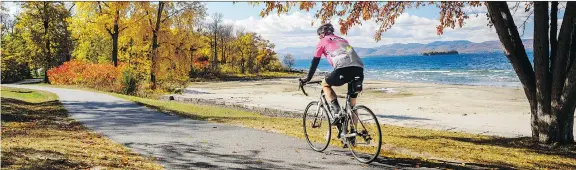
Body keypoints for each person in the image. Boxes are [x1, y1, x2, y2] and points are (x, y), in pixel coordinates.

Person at [299, 23, 365, 141]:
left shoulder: (322, 41)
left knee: (325, 83)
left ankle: (337, 111)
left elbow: (315, 62)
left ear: (322, 34)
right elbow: (349, 53)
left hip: (343, 69)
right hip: (359, 69)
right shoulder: (343, 40)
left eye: (319, 35)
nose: (320, 38)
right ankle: (352, 135)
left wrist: (307, 79)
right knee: (352, 105)